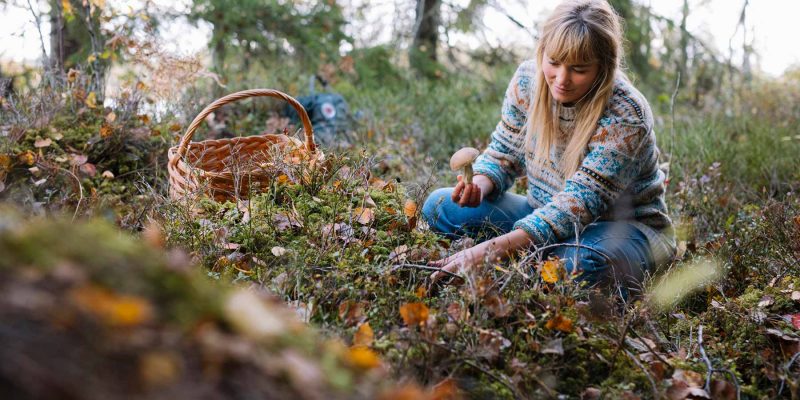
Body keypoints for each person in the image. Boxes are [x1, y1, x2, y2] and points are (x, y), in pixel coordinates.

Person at [422, 0, 675, 295]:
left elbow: (580, 203)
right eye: (553, 62)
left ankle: (537, 260)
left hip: (623, 228)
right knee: (439, 207)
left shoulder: (627, 113)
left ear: (603, 67)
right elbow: (503, 152)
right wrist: (479, 183)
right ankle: (535, 259)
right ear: (542, 51)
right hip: (542, 211)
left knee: (579, 265)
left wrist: (483, 252)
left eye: (579, 69)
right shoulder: (527, 81)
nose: (562, 79)